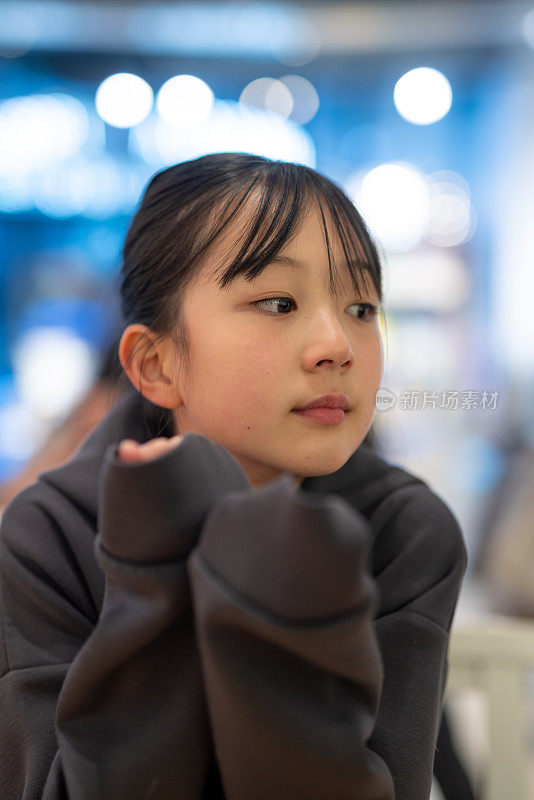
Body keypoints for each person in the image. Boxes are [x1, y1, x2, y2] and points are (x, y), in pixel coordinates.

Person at [0, 152, 468, 799]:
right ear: (156, 364)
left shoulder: (404, 532)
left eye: (362, 307)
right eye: (278, 301)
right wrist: (153, 573)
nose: (337, 344)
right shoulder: (49, 537)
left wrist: (269, 566)